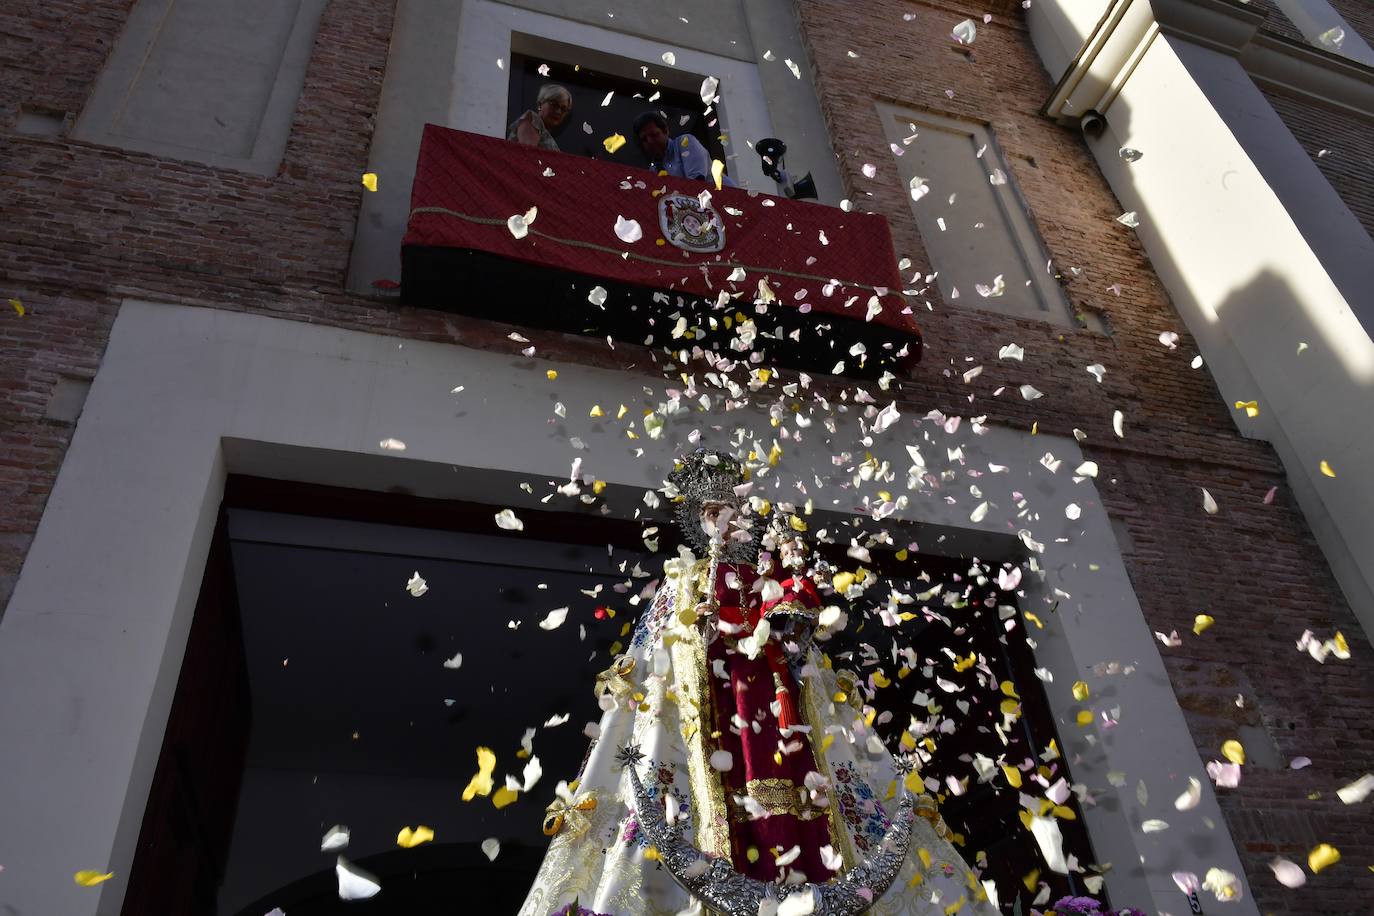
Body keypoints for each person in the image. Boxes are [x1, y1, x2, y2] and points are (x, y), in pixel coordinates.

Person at [517, 449, 997, 916]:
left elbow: (793, 623)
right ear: (698, 519)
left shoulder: (765, 575)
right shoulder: (685, 578)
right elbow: (666, 648)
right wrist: (698, 626)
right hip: (715, 704)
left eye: (730, 509)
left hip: (776, 694)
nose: (722, 519)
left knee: (806, 774)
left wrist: (789, 625)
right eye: (711, 512)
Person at [632, 111, 737, 187]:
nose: (650, 141)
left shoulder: (685, 142)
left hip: (729, 199)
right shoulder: (654, 169)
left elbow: (696, 182)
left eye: (654, 135)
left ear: (666, 131)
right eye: (644, 139)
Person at [509, 84, 572, 151]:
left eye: (563, 109)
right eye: (554, 104)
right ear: (540, 104)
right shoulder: (532, 119)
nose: (558, 111)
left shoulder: (546, 135)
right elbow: (528, 154)